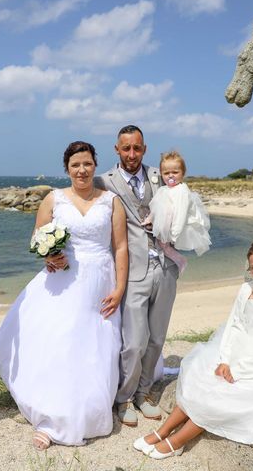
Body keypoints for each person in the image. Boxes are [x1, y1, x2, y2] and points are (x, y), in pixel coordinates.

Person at [133, 232, 253, 459]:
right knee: (199, 381)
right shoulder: (246, 289)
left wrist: (239, 370)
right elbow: (234, 325)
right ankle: (162, 431)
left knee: (220, 398)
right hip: (235, 350)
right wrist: (224, 360)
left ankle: (177, 441)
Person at [0, 141, 128, 449]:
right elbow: (38, 238)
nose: (82, 170)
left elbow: (120, 247)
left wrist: (119, 288)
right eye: (76, 165)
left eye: (87, 164)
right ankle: (53, 419)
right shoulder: (54, 198)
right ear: (67, 169)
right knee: (61, 343)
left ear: (95, 166)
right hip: (63, 280)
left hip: (100, 280)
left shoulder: (111, 201)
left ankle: (89, 414)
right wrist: (49, 257)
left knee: (94, 347)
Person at [95, 125, 179, 427]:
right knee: (133, 341)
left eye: (138, 148)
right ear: (117, 149)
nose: (132, 154)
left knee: (157, 338)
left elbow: (181, 207)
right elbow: (84, 210)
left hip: (167, 267)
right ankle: (125, 398)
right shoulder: (103, 181)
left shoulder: (162, 176)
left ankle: (144, 393)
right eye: (126, 148)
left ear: (144, 149)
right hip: (133, 270)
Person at [144, 150, 211, 273]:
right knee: (161, 244)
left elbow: (181, 214)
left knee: (163, 244)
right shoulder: (163, 189)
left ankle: (180, 260)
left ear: (183, 173)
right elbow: (155, 206)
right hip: (166, 223)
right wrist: (150, 218)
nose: (170, 176)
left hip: (176, 227)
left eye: (175, 172)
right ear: (161, 174)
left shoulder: (181, 191)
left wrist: (174, 234)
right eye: (166, 173)